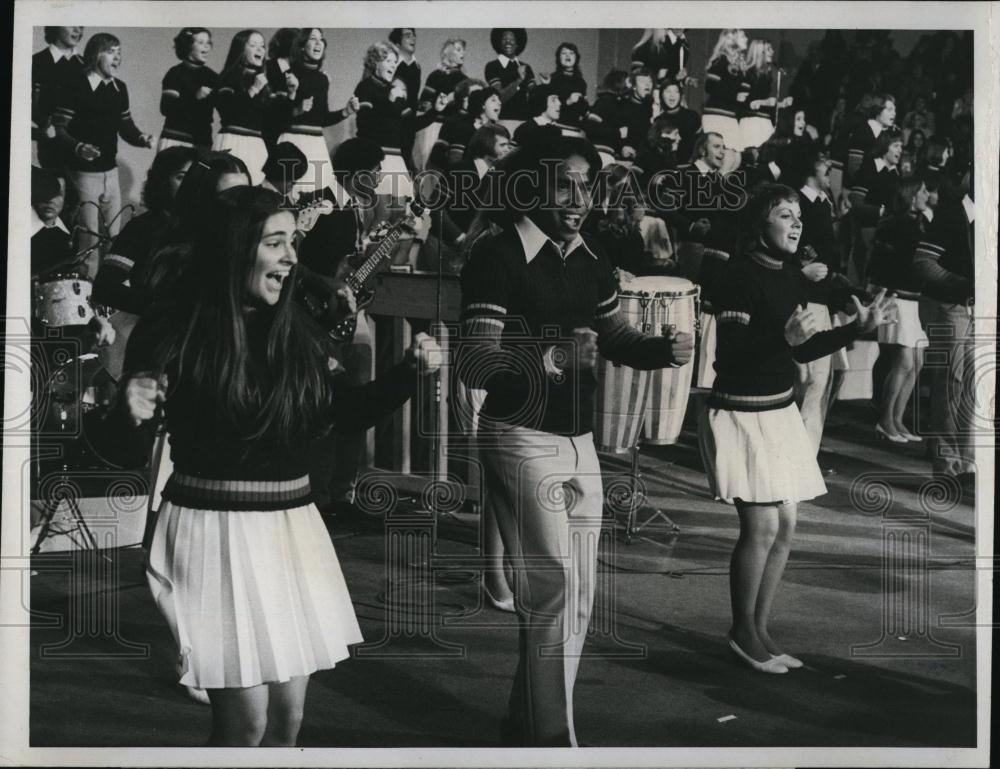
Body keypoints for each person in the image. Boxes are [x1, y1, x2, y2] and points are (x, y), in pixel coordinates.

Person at [107, 185, 441, 746]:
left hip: (291, 528)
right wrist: (125, 413)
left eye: (292, 243)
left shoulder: (295, 331)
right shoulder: (171, 330)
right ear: (235, 249)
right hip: (213, 531)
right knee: (246, 725)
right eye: (275, 242)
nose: (291, 258)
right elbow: (121, 454)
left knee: (287, 722)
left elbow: (338, 414)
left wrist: (410, 373)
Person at [457, 133, 693, 746]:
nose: (579, 197)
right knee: (554, 589)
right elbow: (478, 359)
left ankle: (526, 720)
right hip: (518, 436)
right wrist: (553, 360)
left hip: (577, 438)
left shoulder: (589, 257)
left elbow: (612, 337)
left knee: (578, 594)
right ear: (534, 185)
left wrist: (661, 350)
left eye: (587, 185)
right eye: (565, 183)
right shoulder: (497, 254)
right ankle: (552, 739)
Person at [699, 183, 895, 673]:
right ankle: (741, 631)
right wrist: (781, 337)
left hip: (779, 413)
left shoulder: (791, 276)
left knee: (786, 524)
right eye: (784, 214)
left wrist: (858, 328)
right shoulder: (737, 276)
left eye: (798, 216)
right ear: (759, 225)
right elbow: (733, 356)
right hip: (742, 413)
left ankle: (760, 628)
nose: (795, 222)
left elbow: (804, 349)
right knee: (761, 525)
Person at [52, 31, 155, 276]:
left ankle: (109, 289)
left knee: (114, 235)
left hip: (110, 173)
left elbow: (126, 126)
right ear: (96, 54)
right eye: (111, 51)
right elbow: (59, 128)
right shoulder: (74, 84)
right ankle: (86, 290)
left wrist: (141, 138)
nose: (117, 57)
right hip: (83, 174)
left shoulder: (120, 88)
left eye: (120, 52)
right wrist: (79, 147)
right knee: (88, 236)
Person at [913, 163, 975, 486]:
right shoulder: (952, 215)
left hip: (975, 310)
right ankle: (947, 464)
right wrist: (963, 285)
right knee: (949, 384)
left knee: (973, 386)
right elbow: (922, 262)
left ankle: (966, 463)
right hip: (950, 307)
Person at [92, 145, 198, 316]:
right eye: (181, 178)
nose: (190, 185)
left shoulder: (207, 224)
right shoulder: (142, 226)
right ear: (162, 180)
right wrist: (161, 309)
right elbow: (104, 287)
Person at [869, 178, 931, 442]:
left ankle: (897, 419)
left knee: (916, 362)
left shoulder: (917, 223)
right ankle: (885, 420)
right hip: (898, 298)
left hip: (912, 300)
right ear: (911, 195)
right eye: (923, 191)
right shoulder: (897, 224)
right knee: (903, 361)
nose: (928, 195)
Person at [273, 28, 358, 196]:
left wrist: (345, 112)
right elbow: (274, 118)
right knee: (289, 196)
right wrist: (296, 108)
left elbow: (322, 119)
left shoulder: (322, 79)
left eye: (321, 39)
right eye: (313, 38)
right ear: (302, 46)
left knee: (318, 199)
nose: (319, 42)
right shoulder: (287, 74)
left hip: (316, 145)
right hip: (292, 142)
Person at [213, 29, 272, 185]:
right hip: (234, 139)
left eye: (262, 46)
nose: (260, 49)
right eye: (253, 45)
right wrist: (254, 89)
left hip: (257, 144)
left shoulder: (264, 81)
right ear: (240, 50)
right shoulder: (228, 76)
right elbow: (229, 113)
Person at [32, 26, 85, 170]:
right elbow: (30, 107)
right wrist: (44, 127)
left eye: (80, 26)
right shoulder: (36, 62)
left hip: (84, 148)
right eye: (71, 24)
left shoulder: (87, 65)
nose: (77, 29)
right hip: (52, 147)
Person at [158, 28, 218, 153]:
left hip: (203, 144)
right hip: (175, 140)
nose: (206, 46)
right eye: (201, 42)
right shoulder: (175, 73)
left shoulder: (213, 76)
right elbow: (166, 108)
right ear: (188, 46)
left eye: (208, 43)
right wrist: (195, 97)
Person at [702, 29, 748, 153]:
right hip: (717, 115)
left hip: (729, 115)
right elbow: (710, 86)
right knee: (726, 157)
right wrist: (734, 96)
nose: (746, 39)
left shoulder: (740, 63)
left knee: (735, 157)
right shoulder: (720, 60)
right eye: (743, 36)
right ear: (732, 39)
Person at [485, 28, 536, 124]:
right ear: (499, 43)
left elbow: (535, 96)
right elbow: (499, 97)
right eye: (504, 39)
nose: (508, 42)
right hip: (503, 120)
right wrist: (519, 80)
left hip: (525, 121)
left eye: (512, 39)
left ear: (517, 44)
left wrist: (546, 85)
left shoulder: (526, 67)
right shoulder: (492, 66)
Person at [583, 69, 627, 167]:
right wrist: (618, 133)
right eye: (627, 82)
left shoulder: (613, 103)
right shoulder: (606, 101)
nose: (630, 86)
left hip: (604, 153)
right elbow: (590, 127)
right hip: (601, 153)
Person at [657, 80, 701, 164]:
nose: (672, 95)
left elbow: (700, 143)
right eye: (668, 91)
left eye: (676, 91)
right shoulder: (658, 120)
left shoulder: (692, 116)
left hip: (690, 167)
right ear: (661, 95)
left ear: (681, 95)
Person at [544, 43, 588, 127]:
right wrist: (568, 101)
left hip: (576, 127)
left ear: (576, 57)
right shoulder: (552, 79)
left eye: (571, 53)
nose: (568, 56)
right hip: (557, 126)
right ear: (559, 58)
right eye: (564, 53)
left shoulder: (581, 82)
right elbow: (546, 107)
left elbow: (583, 109)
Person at [619, 67, 654, 160]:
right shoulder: (623, 106)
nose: (647, 84)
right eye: (642, 81)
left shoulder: (653, 107)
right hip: (627, 159)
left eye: (649, 81)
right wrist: (622, 147)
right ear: (634, 86)